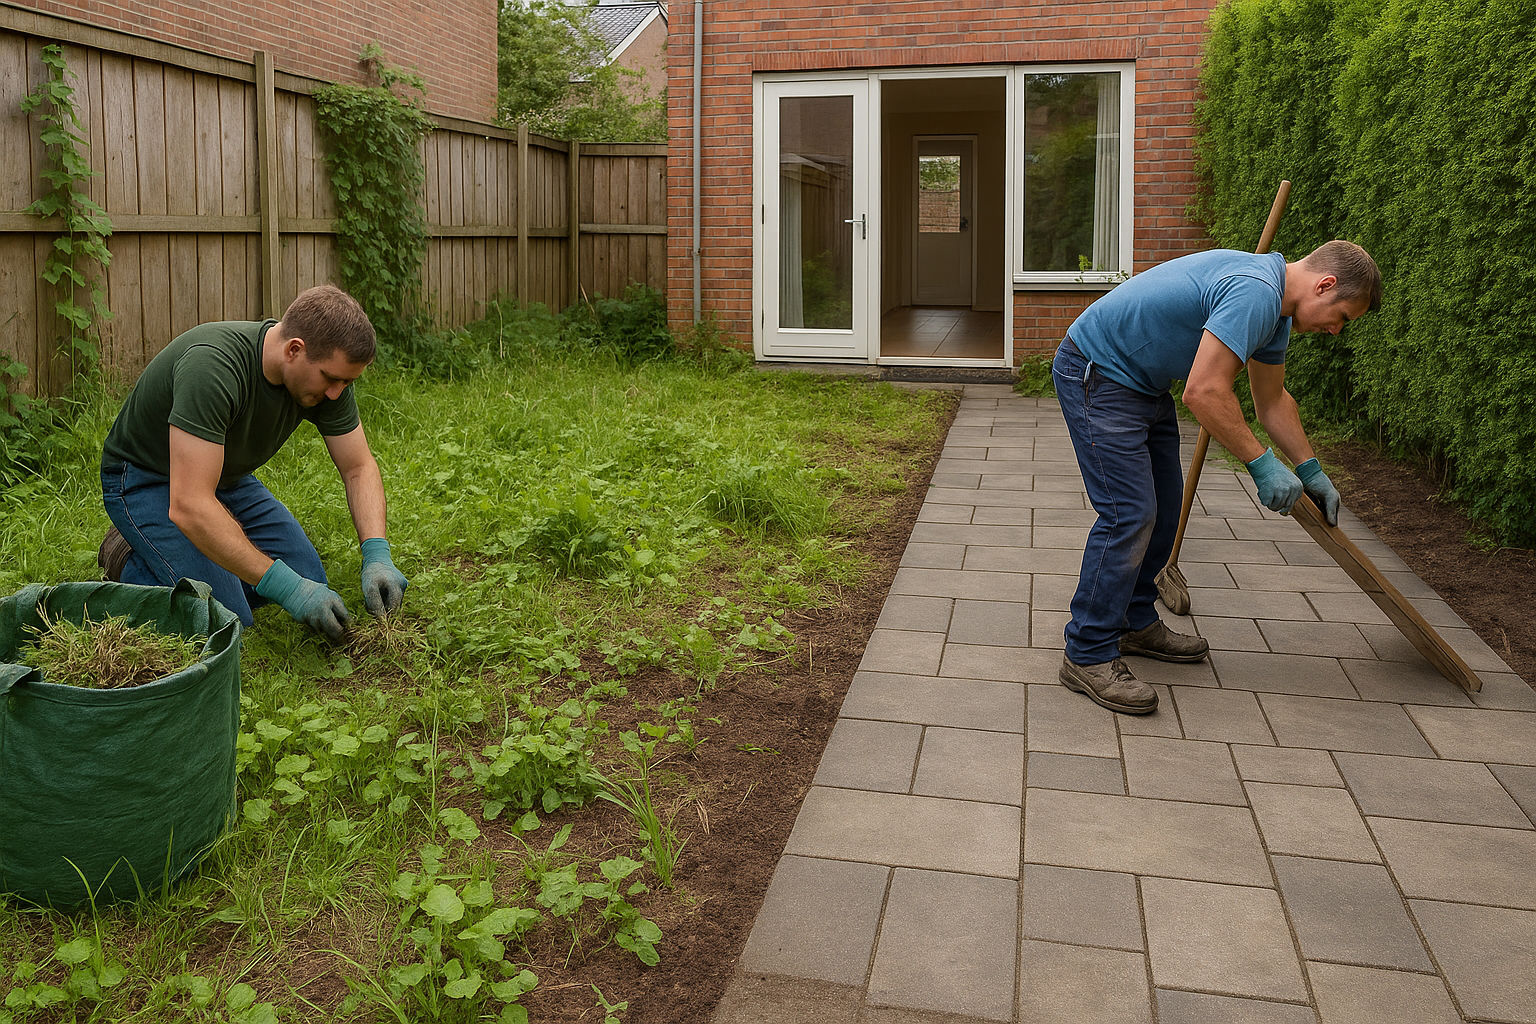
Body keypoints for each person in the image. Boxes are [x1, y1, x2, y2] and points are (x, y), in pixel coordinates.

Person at [1052, 240, 1381, 714]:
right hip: (1098, 372)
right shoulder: (1255, 291)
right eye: (1342, 316)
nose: (1335, 330)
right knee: (1130, 514)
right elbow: (1204, 391)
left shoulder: (1276, 313)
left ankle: (1132, 622)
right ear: (1325, 285)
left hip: (1142, 384)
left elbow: (1272, 400)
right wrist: (1261, 463)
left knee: (1166, 510)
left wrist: (1310, 468)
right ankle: (1087, 652)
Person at [98, 284, 407, 640]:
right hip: (145, 479)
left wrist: (377, 553)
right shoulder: (212, 367)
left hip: (222, 477)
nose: (337, 392)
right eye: (332, 379)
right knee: (227, 616)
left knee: (307, 575)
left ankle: (193, 552)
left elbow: (358, 467)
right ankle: (128, 553)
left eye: (346, 382)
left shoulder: (326, 381)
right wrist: (287, 588)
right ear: (294, 349)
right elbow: (190, 503)